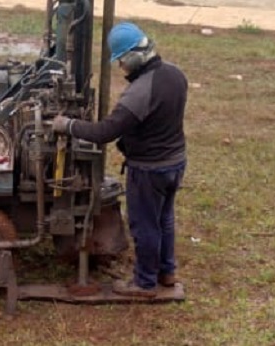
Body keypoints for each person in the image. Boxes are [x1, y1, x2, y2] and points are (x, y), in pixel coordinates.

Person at [52, 22, 188, 298]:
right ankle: (167, 272)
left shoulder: (140, 91)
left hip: (149, 170)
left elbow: (105, 132)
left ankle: (145, 283)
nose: (121, 67)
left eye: (121, 61)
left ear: (133, 57)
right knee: (164, 219)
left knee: (145, 225)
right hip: (175, 161)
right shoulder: (176, 74)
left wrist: (67, 125)